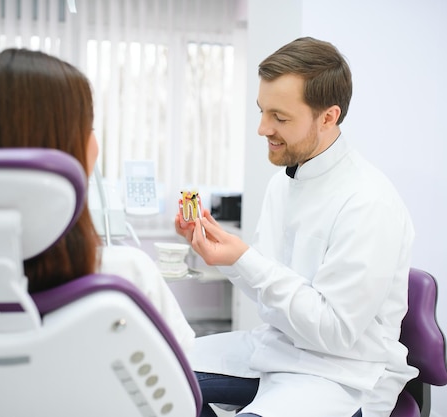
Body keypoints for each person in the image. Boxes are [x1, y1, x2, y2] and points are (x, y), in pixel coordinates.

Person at [0, 48, 194, 352]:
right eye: (89, 129)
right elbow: (184, 387)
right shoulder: (128, 275)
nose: (96, 145)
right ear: (65, 149)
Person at [175, 37, 418, 417]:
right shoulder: (284, 184)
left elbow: (335, 330)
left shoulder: (369, 202)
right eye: (262, 111)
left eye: (280, 118)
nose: (262, 129)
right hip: (278, 350)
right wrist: (225, 256)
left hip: (340, 374)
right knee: (152, 378)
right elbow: (271, 293)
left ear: (328, 116)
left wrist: (245, 260)